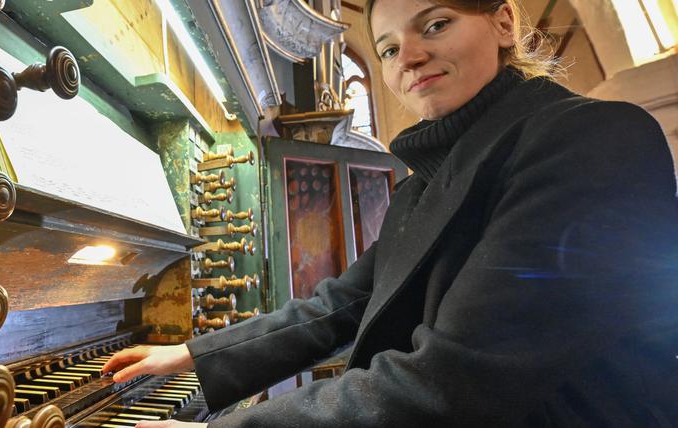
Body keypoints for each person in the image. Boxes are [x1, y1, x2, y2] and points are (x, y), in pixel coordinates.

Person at [102, 0, 678, 426]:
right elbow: (341, 304)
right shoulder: (420, 185)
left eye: (435, 24)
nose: (411, 57)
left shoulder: (589, 139)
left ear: (504, 23)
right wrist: (193, 353)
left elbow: (455, 382)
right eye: (387, 49)